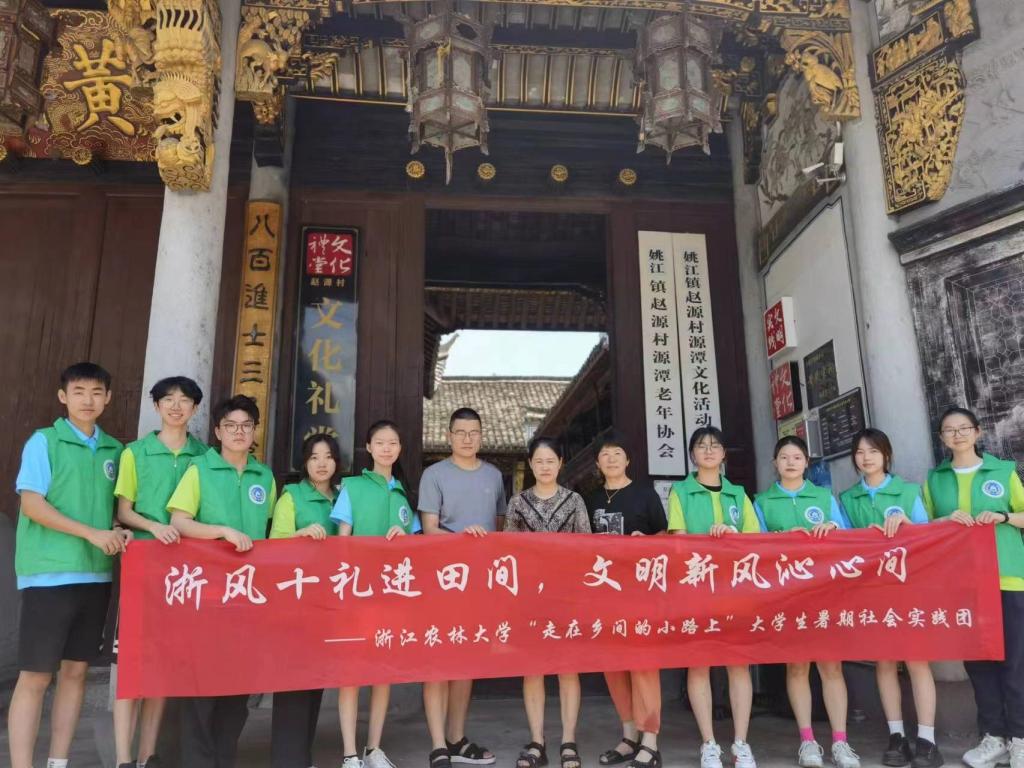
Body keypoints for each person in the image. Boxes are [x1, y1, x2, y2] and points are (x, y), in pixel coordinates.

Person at [8, 362, 129, 768]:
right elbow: (32, 504)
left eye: (96, 392)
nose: (87, 400)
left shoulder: (114, 450)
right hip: (49, 575)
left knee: (76, 673)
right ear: (63, 397)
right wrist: (90, 533)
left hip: (95, 575)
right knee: (36, 675)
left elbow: (112, 512)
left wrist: (116, 530)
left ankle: (58, 762)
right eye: (78, 392)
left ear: (108, 398)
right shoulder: (44, 442)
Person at [167, 394, 276, 768]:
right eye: (231, 425)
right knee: (202, 685)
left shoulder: (265, 476)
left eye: (246, 425)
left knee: (238, 685)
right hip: (208, 594)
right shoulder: (199, 469)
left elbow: (271, 534)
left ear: (255, 430)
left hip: (249, 596)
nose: (239, 432)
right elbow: (179, 521)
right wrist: (221, 531)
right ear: (217, 431)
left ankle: (223, 757)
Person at [112, 375, 207, 768]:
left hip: (187, 572)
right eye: (168, 399)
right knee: (131, 664)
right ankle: (123, 759)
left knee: (162, 666)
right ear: (156, 406)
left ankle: (147, 756)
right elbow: (124, 511)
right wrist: (154, 527)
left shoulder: (204, 456)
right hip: (144, 566)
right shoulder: (134, 453)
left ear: (195, 408)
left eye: (184, 400)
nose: (176, 406)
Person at [924, 407, 1024, 768]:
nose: (957, 434)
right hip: (962, 583)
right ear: (941, 438)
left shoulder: (1003, 472)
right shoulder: (935, 480)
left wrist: (1003, 516)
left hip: (1007, 577)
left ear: (978, 432)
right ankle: (993, 736)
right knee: (979, 663)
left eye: (964, 428)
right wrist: (943, 520)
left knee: (1015, 661)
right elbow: (924, 529)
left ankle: (1020, 739)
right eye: (949, 430)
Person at [754, 436, 860, 768]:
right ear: (775, 463)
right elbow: (754, 549)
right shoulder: (762, 502)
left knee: (831, 667)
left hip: (825, 594)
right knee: (797, 667)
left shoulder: (825, 497)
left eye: (797, 457)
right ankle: (808, 741)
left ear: (806, 463)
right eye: (784, 457)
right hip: (787, 597)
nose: (790, 462)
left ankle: (841, 742)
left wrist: (833, 527)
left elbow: (849, 540)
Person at [838, 428, 940, 768]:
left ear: (886, 455)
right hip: (872, 591)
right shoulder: (847, 498)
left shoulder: (908, 491)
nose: (866, 458)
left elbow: (928, 537)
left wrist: (908, 524)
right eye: (860, 452)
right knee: (884, 661)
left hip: (908, 587)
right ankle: (896, 736)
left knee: (917, 660)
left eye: (873, 451)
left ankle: (927, 740)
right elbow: (842, 545)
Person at [667, 426, 760, 768]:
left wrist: (732, 536)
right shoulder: (681, 491)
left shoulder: (739, 494)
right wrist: (709, 541)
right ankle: (708, 743)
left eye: (715, 445)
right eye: (701, 446)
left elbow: (755, 541)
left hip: (736, 591)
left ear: (723, 454)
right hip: (697, 592)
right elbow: (678, 542)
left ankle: (741, 743)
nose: (708, 451)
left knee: (738, 664)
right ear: (692, 454)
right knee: (699, 664)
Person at [418, 407, 505, 768]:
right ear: (449, 436)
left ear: (482, 436)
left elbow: (499, 529)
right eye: (460, 432)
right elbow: (429, 529)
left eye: (474, 432)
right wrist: (462, 539)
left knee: (466, 660)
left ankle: (456, 737)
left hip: (481, 583)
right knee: (439, 658)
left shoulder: (495, 476)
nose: (467, 439)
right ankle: (438, 743)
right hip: (444, 579)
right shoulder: (434, 475)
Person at [331, 420, 421, 768]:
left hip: (392, 596)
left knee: (383, 672)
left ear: (400, 449)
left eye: (393, 443)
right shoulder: (352, 487)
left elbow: (417, 550)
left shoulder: (403, 495)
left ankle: (374, 749)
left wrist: (406, 538)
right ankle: (349, 754)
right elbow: (342, 541)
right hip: (357, 594)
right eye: (380, 442)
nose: (386, 448)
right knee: (351, 674)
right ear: (368, 447)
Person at [504, 436, 591, 768]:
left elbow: (586, 548)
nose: (544, 467)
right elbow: (509, 552)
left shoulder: (574, 501)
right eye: (538, 461)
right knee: (533, 669)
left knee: (568, 668)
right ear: (530, 464)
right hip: (529, 598)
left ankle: (568, 741)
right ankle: (537, 741)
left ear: (560, 463)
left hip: (567, 596)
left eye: (550, 461)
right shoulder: (517, 503)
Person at [584, 433, 667, 768]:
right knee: (614, 665)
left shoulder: (645, 494)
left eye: (617, 453)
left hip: (640, 592)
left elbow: (664, 535)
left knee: (643, 664)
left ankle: (650, 741)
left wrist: (645, 540)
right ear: (598, 463)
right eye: (605, 454)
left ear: (628, 459)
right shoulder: (590, 499)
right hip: (604, 595)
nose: (612, 459)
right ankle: (629, 735)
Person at [268, 433, 343, 768]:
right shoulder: (291, 496)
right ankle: (288, 760)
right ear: (304, 462)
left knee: (315, 682)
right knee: (293, 682)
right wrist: (300, 534)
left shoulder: (343, 497)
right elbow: (273, 546)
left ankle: (302, 756)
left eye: (328, 456)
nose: (322, 463)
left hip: (329, 604)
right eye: (314, 457)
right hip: (295, 603)